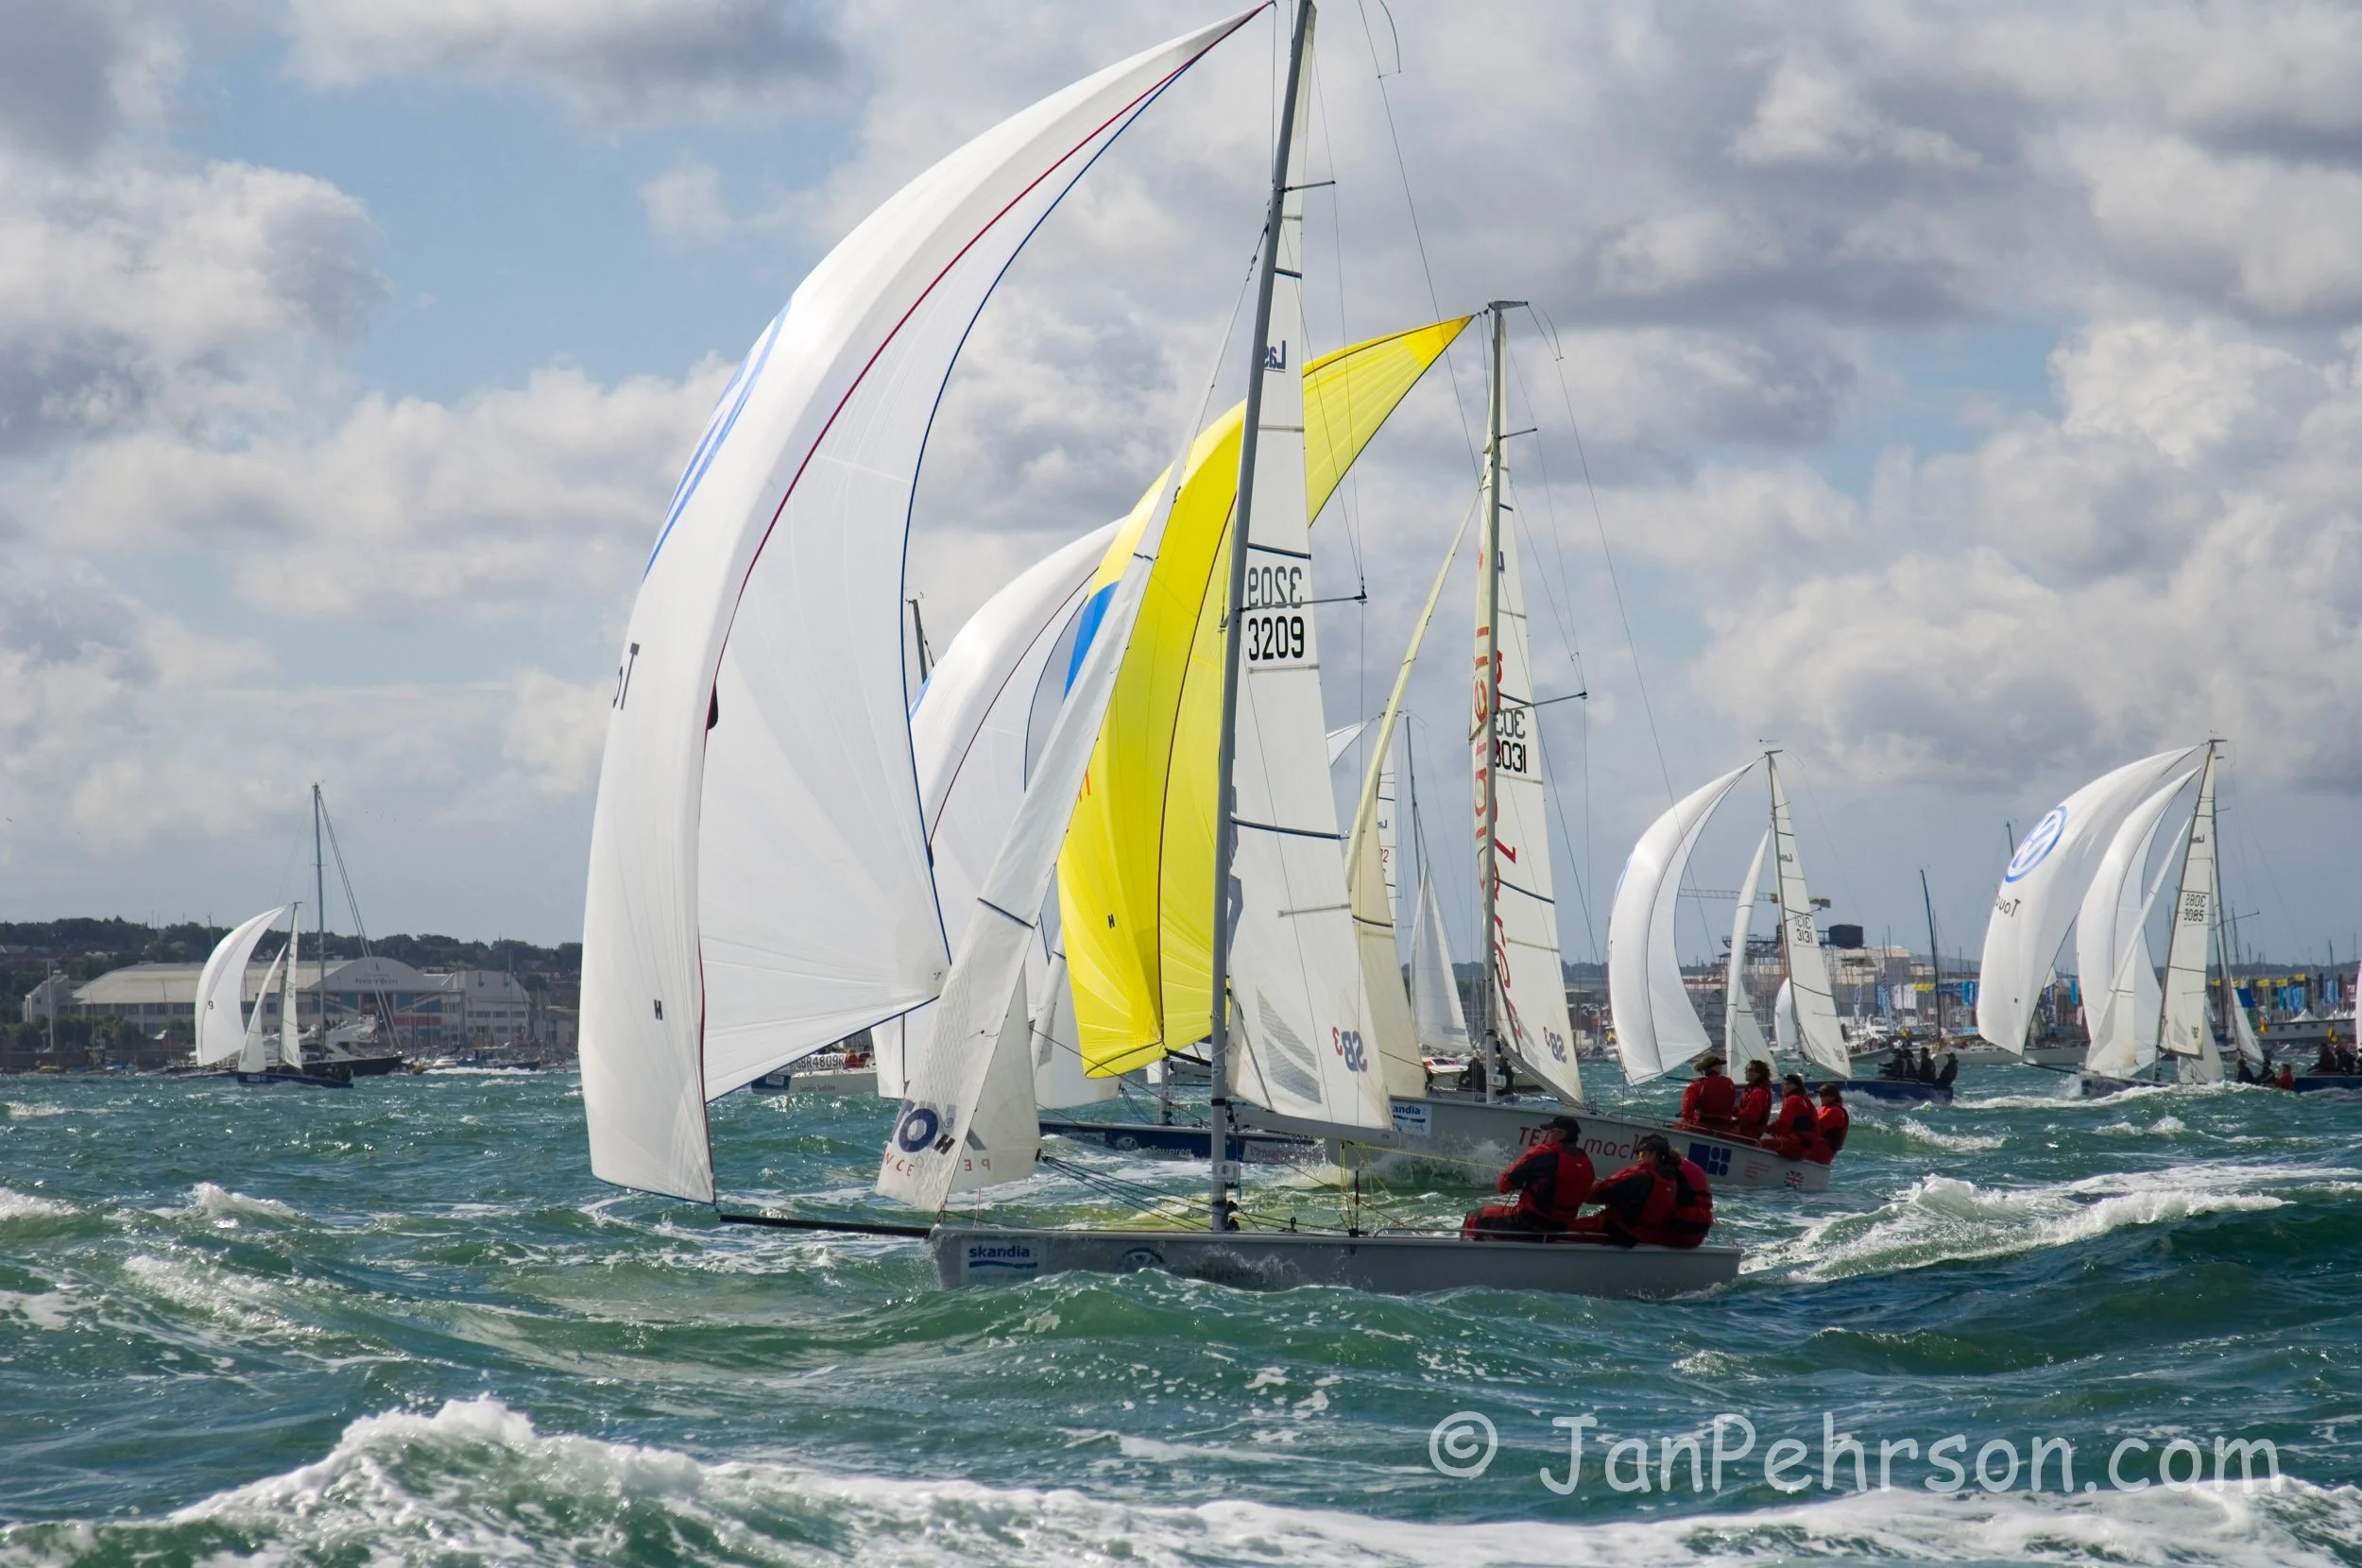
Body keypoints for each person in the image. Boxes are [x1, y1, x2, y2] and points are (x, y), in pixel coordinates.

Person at [1571, 1133, 1713, 1249]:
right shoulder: (1672, 1176)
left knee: (1568, 1226)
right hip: (1681, 1236)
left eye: (1640, 1153)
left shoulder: (1644, 1176)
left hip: (1633, 1234)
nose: (1638, 1158)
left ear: (1651, 1154)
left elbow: (1594, 1196)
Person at [1463, 1116, 1594, 1239]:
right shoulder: (1586, 1161)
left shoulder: (1542, 1154)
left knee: (1474, 1216)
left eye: (1549, 1131)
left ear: (1559, 1133)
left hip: (1529, 1222)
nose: (1546, 1135)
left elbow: (1502, 1186)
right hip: (1562, 1226)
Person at [1677, 1052, 1737, 1132]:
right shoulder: (1729, 1082)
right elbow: (1731, 1103)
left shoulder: (1697, 1084)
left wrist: (1690, 1120)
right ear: (1714, 1067)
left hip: (1703, 1126)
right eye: (1720, 1065)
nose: (1721, 1067)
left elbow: (1687, 1107)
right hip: (1725, 1128)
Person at [1763, 1073, 1817, 1160]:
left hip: (1795, 1146)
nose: (1782, 1087)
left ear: (1793, 1086)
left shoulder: (1792, 1100)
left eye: (1785, 1084)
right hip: (1804, 1146)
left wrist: (1764, 1130)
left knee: (1760, 1142)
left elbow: (1783, 1125)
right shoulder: (1804, 1100)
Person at [1809, 1082, 1850, 1164]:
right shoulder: (1827, 1108)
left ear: (1832, 1097)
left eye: (1823, 1095)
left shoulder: (1835, 1111)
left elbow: (1814, 1125)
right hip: (1818, 1148)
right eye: (1820, 1095)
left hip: (1822, 1151)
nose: (1820, 1098)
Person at [1734, 1060, 1775, 1140]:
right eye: (1746, 1069)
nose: (1746, 1072)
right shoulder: (1751, 1089)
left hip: (1749, 1134)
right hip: (1745, 1130)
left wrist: (1733, 1110)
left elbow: (1751, 1117)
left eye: (1750, 1070)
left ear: (1759, 1074)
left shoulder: (1759, 1092)